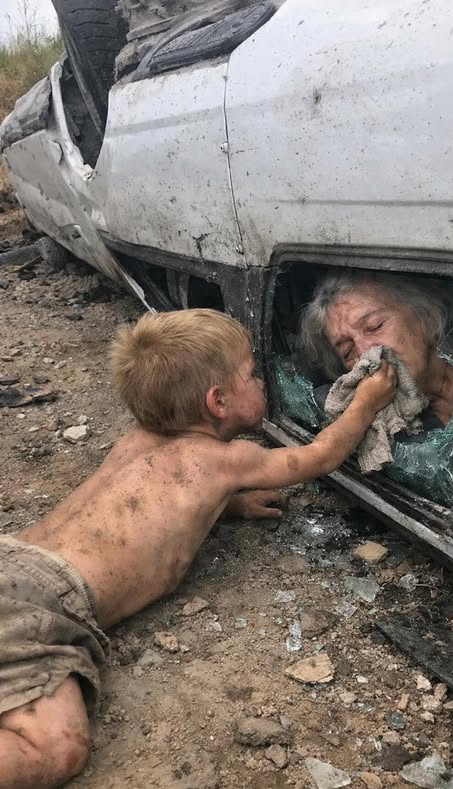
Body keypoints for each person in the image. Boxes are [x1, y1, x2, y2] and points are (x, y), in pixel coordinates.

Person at [0, 308, 396, 789]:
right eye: (252, 372)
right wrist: (367, 400)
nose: (261, 379)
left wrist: (230, 504)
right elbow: (321, 455)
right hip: (42, 600)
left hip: (13, 557)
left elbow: (148, 505)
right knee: (55, 747)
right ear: (218, 401)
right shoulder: (225, 460)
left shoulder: (136, 442)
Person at [300, 270, 453, 426]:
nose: (365, 353)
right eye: (348, 351)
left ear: (424, 315)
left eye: (374, 326)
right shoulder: (386, 430)